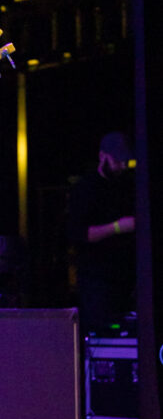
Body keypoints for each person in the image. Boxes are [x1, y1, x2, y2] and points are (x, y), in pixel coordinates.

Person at [67, 131, 136, 334]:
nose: (122, 166)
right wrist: (117, 227)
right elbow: (80, 234)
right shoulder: (85, 189)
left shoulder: (127, 187)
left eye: (124, 161)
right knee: (102, 333)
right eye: (117, 161)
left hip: (125, 278)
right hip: (97, 281)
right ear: (102, 156)